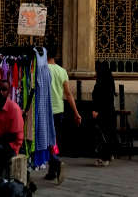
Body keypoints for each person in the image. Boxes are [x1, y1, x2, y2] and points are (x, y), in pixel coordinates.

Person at [45, 48, 81, 184]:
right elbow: (68, 94)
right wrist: (76, 113)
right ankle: (52, 169)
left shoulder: (41, 69)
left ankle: (55, 162)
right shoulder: (62, 71)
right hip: (58, 111)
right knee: (54, 140)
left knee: (44, 140)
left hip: (45, 111)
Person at [91, 62, 117, 166]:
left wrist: (96, 110)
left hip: (102, 112)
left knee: (103, 135)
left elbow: (100, 98)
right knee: (108, 134)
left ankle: (104, 158)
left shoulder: (102, 82)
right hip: (109, 112)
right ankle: (109, 155)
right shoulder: (109, 80)